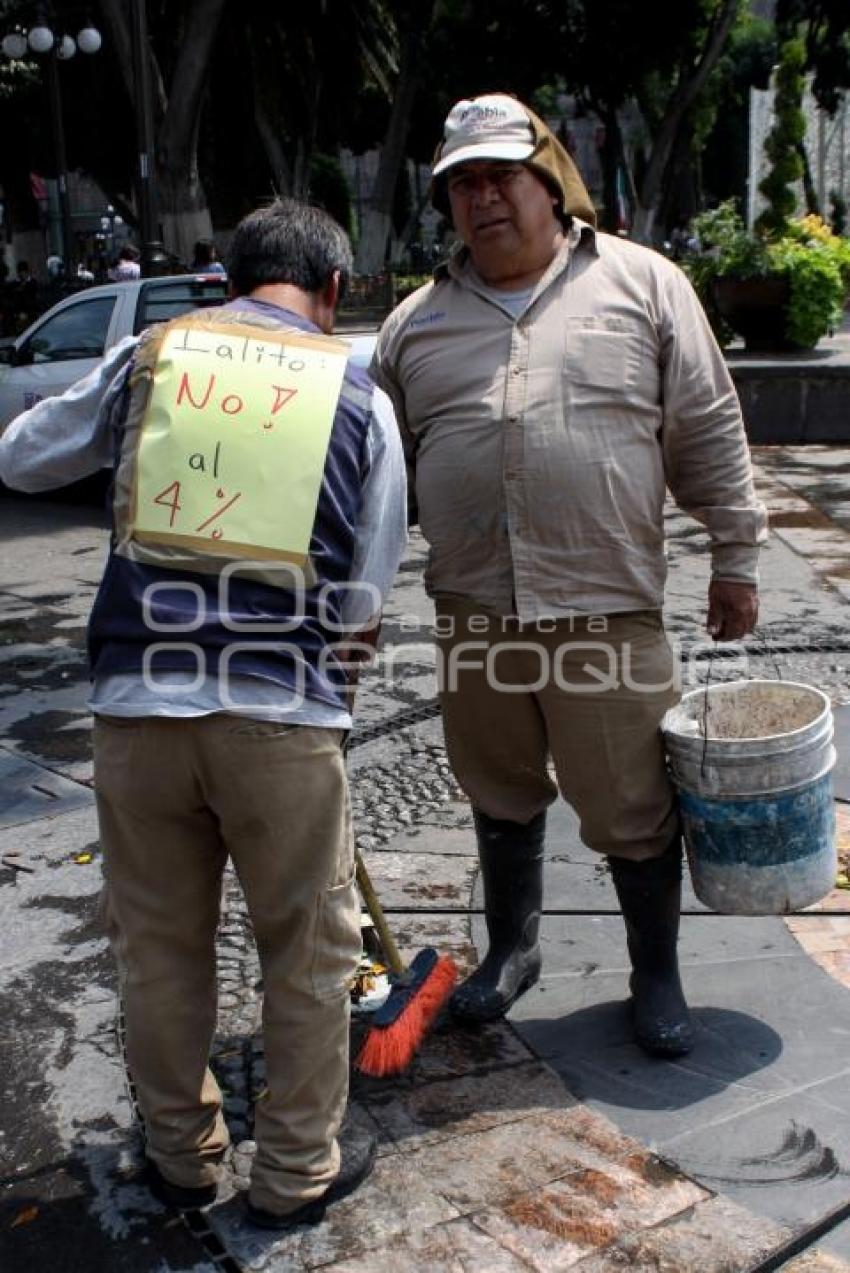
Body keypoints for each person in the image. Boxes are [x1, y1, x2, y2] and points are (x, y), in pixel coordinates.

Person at [0, 199, 407, 1226]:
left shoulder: (153, 353)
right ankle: (295, 1173)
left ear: (226, 283)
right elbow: (366, 584)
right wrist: (330, 682)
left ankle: (183, 1155)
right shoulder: (358, 388)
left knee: (160, 943)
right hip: (280, 716)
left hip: (137, 711)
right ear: (331, 291)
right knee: (309, 954)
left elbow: (20, 459)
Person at [372, 93, 767, 1058]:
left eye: (500, 177)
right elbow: (370, 466)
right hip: (474, 609)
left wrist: (736, 555)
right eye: (461, 184)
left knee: (631, 802)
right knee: (497, 787)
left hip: (606, 608)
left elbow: (707, 427)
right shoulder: (413, 325)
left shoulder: (644, 284)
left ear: (548, 182)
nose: (481, 199)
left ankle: (658, 974)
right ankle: (514, 950)